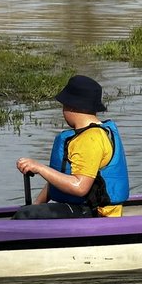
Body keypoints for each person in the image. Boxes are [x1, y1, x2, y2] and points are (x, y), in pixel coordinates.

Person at [14, 74, 129, 219]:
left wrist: (40, 168)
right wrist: (37, 204)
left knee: (24, 216)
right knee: (29, 211)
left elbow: (80, 187)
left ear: (72, 107)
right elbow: (60, 179)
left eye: (64, 105)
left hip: (96, 214)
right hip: (83, 208)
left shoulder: (90, 139)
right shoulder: (84, 136)